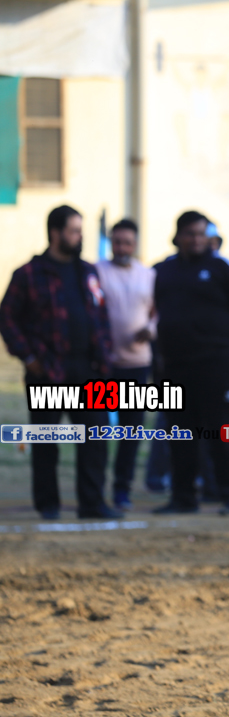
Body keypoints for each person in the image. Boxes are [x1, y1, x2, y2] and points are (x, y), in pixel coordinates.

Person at [0, 205, 120, 520]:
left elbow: (100, 315)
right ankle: (48, 505)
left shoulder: (88, 271)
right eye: (74, 231)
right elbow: (7, 318)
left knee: (95, 438)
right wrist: (28, 356)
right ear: (56, 233)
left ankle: (93, 504)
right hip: (48, 372)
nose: (80, 236)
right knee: (47, 441)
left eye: (80, 230)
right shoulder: (29, 274)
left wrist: (105, 354)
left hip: (89, 371)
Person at [152, 211, 229, 515]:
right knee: (180, 434)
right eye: (190, 234)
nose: (196, 240)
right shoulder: (162, 271)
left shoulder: (223, 268)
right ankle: (183, 497)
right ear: (177, 237)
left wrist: (226, 343)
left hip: (216, 366)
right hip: (175, 368)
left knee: (222, 432)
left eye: (201, 234)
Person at [96, 218, 156, 511]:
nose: (122, 248)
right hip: (103, 365)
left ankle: (122, 490)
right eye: (117, 242)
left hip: (136, 365)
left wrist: (151, 330)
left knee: (131, 432)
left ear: (135, 244)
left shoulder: (149, 275)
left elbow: (157, 312)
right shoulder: (96, 272)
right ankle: (94, 489)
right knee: (97, 431)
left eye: (127, 243)